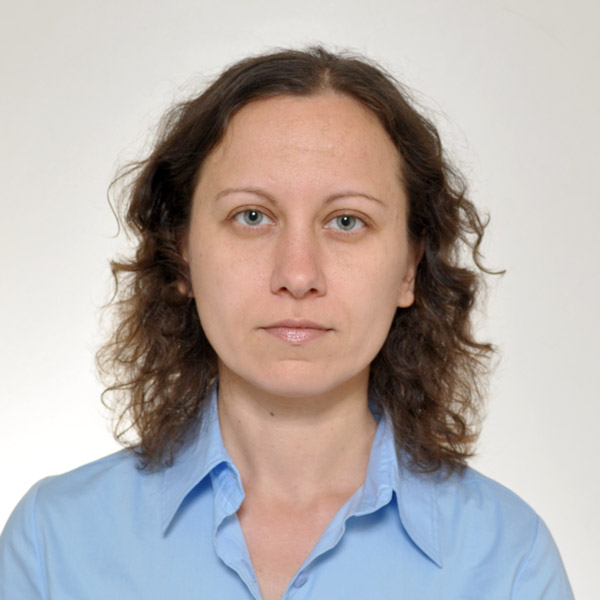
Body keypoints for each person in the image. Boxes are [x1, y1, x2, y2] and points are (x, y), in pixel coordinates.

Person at [0, 47, 573, 599]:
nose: (298, 275)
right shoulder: (53, 544)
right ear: (183, 256)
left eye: (346, 221)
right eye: (252, 216)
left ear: (409, 267)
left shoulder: (509, 561)